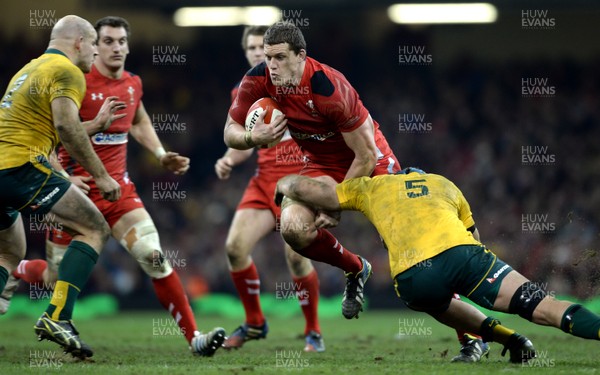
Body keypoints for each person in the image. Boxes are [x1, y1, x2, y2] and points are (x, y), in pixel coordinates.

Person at [223, 21, 487, 361]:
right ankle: (355, 268)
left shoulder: (328, 87)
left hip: (372, 163)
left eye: (279, 58)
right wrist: (251, 139)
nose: (271, 66)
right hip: (321, 165)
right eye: (267, 58)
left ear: (301, 56)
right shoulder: (257, 80)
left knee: (415, 255)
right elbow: (230, 130)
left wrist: (336, 204)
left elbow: (363, 155)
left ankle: (472, 336)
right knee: (292, 228)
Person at [2, 16, 225, 357]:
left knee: (154, 257)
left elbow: (139, 119)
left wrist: (160, 153)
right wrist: (63, 174)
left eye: (121, 41)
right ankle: (22, 274)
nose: (113, 47)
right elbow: (56, 130)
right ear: (88, 43)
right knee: (53, 278)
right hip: (73, 188)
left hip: (120, 194)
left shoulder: (132, 84)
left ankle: (194, 337)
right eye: (104, 41)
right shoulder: (74, 76)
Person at [274, 168, 600, 362]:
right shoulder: (445, 184)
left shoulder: (373, 186)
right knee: (541, 306)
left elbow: (308, 189)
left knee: (438, 301)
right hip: (462, 255)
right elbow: (475, 236)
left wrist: (282, 185)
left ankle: (511, 341)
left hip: (412, 277)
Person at [0, 15, 122, 359]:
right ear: (80, 42)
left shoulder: (30, 69)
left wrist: (94, 124)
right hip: (21, 167)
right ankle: (58, 317)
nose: (97, 53)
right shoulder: (67, 71)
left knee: (9, 252)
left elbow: (47, 125)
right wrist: (101, 175)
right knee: (95, 228)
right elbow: (64, 127)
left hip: (3, 166)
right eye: (96, 45)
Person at [215, 26, 324, 352]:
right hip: (264, 181)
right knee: (234, 247)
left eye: (263, 50)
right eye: (251, 48)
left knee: (296, 255)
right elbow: (244, 142)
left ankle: (313, 331)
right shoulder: (245, 91)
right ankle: (255, 323)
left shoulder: (301, 84)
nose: (257, 54)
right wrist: (228, 159)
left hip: (299, 180)